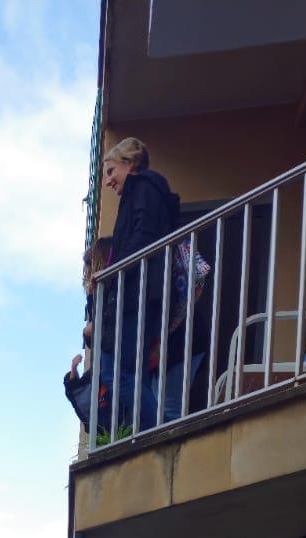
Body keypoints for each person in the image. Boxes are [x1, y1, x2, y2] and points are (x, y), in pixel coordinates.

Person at [99, 137, 180, 433]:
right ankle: (148, 431)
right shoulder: (143, 190)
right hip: (139, 293)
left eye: (110, 171)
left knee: (116, 373)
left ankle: (160, 429)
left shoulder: (144, 187)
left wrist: (112, 273)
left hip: (137, 294)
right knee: (131, 374)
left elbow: (143, 236)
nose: (108, 181)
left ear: (129, 164)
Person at [65, 235, 113, 428]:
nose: (88, 272)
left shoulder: (108, 289)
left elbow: (101, 326)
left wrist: (88, 331)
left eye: (90, 264)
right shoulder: (99, 292)